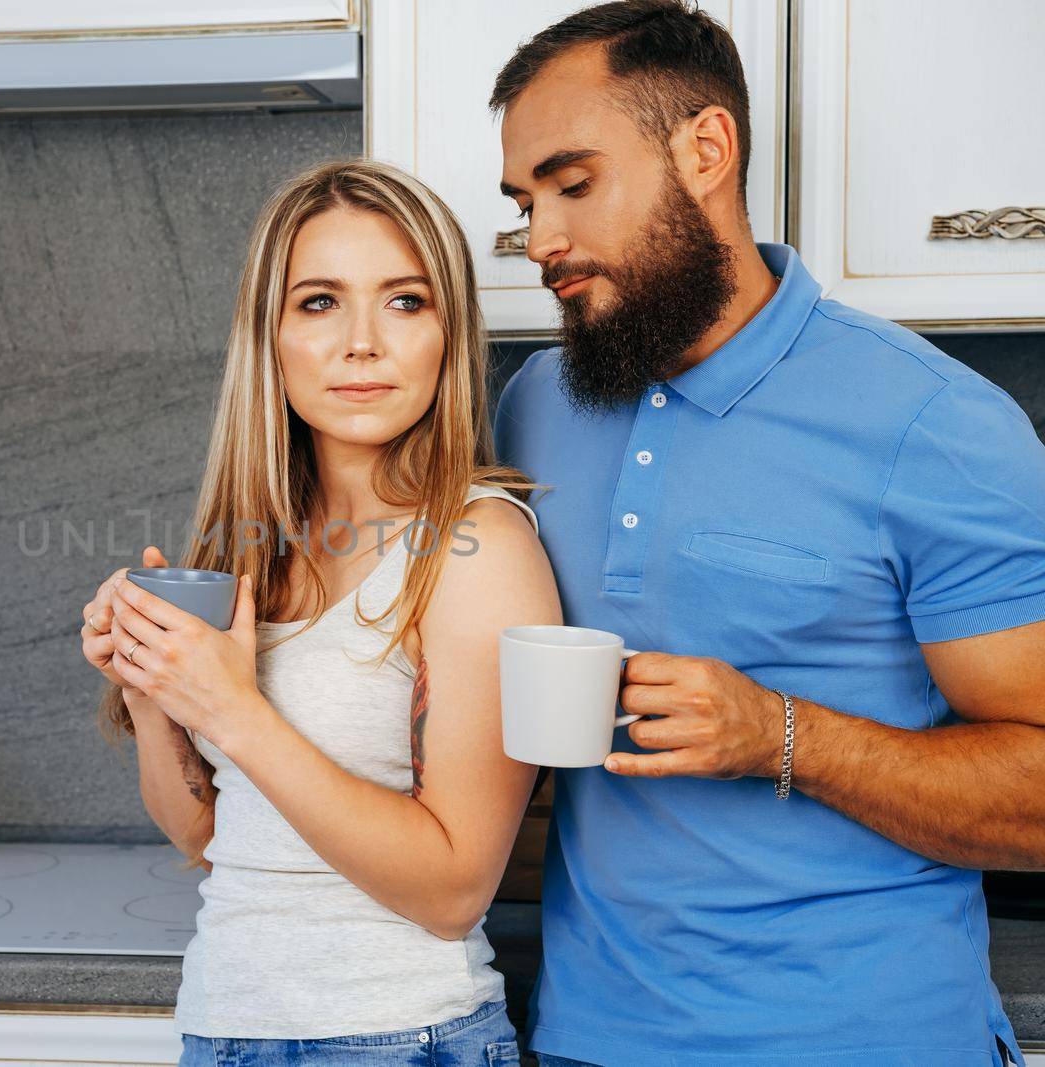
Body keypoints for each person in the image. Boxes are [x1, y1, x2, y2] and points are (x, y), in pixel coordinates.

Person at [489, 2, 1045, 1065]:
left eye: (573, 184)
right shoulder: (536, 405)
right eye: (523, 202)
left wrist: (782, 734)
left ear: (705, 149)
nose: (540, 240)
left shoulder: (934, 422)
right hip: (589, 1038)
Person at [78, 157, 558, 1063]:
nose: (364, 342)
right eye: (320, 301)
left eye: (406, 301)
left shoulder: (479, 543)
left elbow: (455, 886)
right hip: (225, 1027)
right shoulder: (254, 543)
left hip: (400, 1037)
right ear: (272, 335)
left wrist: (230, 706)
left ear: (450, 334)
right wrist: (151, 686)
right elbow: (212, 836)